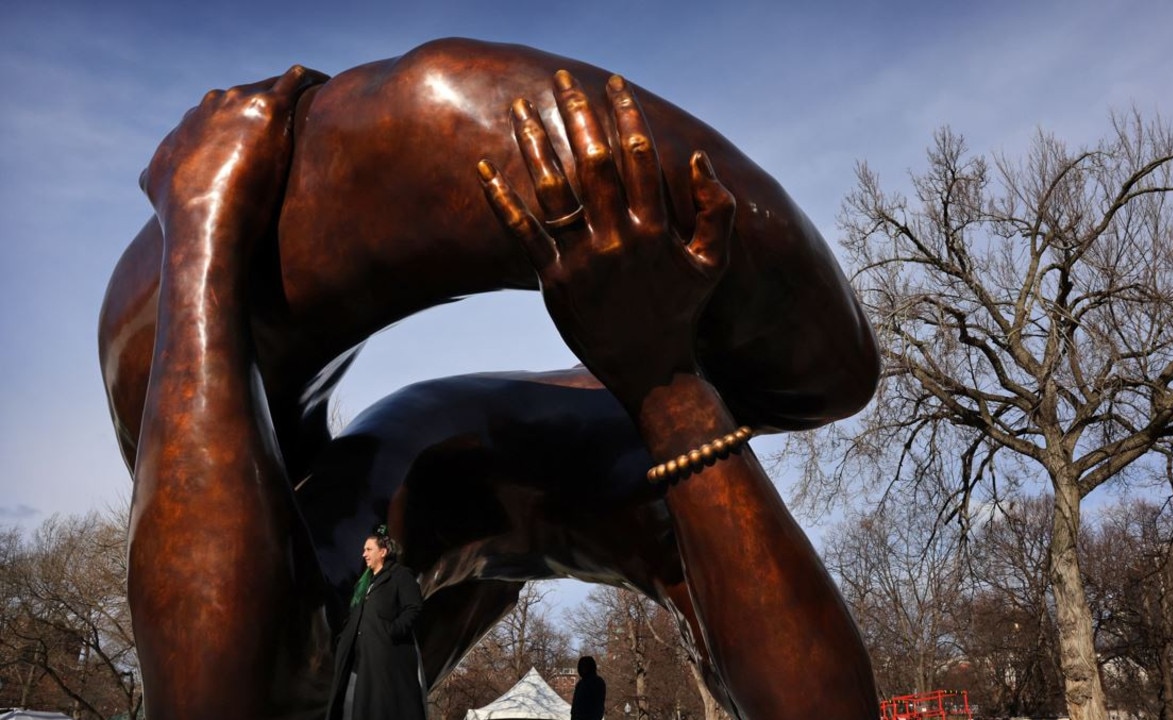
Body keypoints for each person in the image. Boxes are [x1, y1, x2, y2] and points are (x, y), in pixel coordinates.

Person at [109, 46, 881, 720]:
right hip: (455, 490)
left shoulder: (376, 514)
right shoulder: (645, 508)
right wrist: (665, 385)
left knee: (258, 662)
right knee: (833, 379)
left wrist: (201, 227)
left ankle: (211, 250)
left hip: (414, 485)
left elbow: (216, 701)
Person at [327, 528, 425, 720]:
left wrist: (392, 631)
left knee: (382, 708)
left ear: (383, 552)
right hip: (360, 659)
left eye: (368, 549)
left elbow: (414, 607)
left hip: (384, 657)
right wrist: (344, 638)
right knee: (357, 709)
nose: (364, 554)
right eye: (364, 550)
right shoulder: (367, 583)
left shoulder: (400, 576)